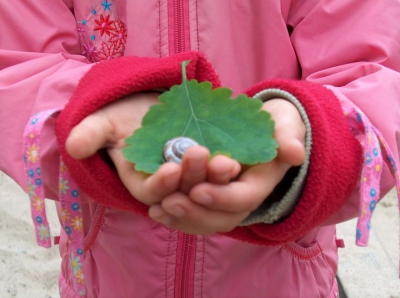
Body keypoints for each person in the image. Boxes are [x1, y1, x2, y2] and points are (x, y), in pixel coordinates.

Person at [1, 1, 400, 297]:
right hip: (109, 273)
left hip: (282, 277)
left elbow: (379, 80)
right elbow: (14, 68)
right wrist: (94, 109)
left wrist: (312, 137)